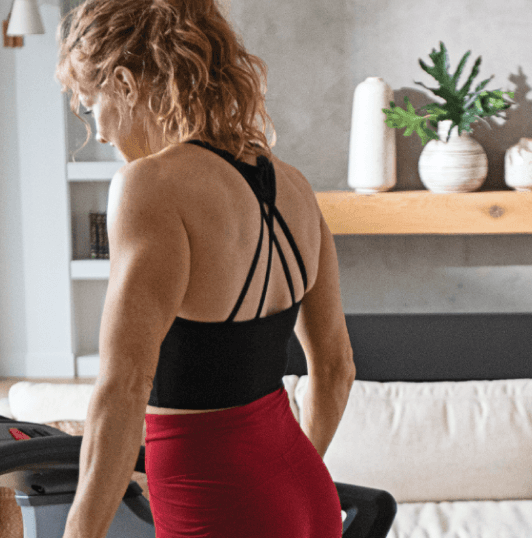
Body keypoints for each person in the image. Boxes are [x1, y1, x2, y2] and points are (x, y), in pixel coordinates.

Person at [54, 1, 357, 536]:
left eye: (88, 105)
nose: (97, 133)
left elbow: (124, 386)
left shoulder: (150, 184)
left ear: (124, 83)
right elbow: (335, 370)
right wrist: (286, 477)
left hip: (221, 506)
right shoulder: (295, 186)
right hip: (307, 490)